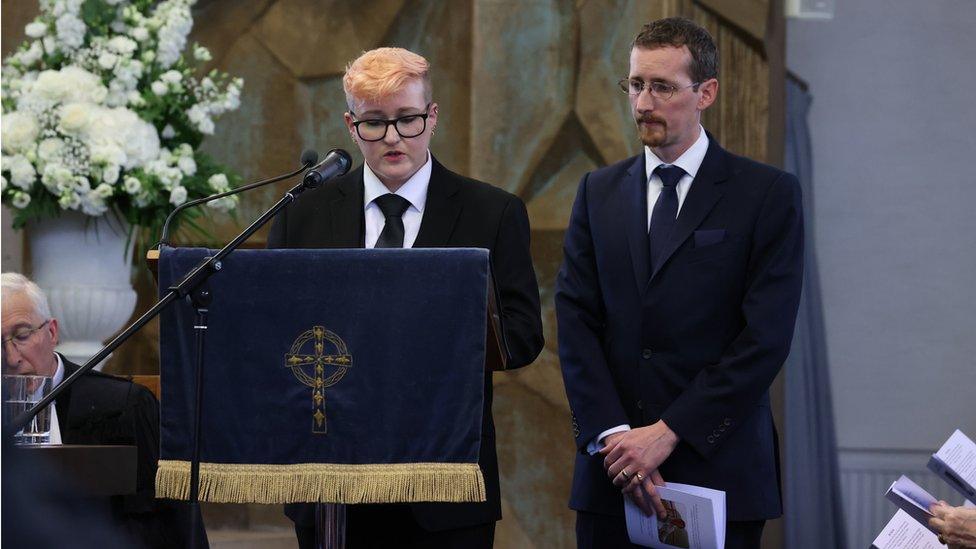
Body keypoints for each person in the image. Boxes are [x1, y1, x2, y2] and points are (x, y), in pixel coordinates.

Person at [268, 47, 544, 549]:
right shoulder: (301, 215)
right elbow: (274, 333)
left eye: (408, 119)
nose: (393, 136)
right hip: (333, 482)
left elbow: (524, 337)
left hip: (444, 486)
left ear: (432, 117)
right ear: (352, 127)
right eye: (375, 123)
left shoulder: (493, 212)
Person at [555, 17, 803, 549]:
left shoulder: (766, 195)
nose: (644, 103)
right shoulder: (597, 192)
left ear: (706, 92)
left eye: (662, 87)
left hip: (719, 470)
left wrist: (667, 434)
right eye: (636, 84)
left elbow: (764, 340)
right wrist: (618, 440)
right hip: (613, 478)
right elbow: (575, 321)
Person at [1, 272, 202, 548]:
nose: (11, 358)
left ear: (52, 332)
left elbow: (163, 526)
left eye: (22, 335)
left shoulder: (123, 407)